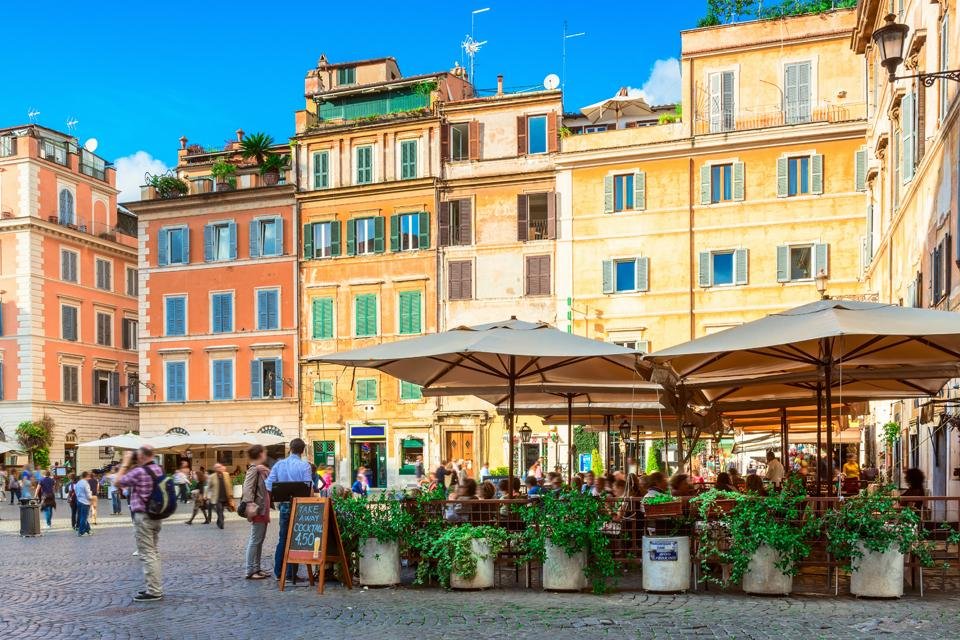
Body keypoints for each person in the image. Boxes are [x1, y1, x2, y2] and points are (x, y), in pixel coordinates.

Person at [115, 445, 165, 602]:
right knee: (153, 552)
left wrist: (125, 463)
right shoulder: (159, 469)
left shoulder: (139, 472)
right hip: (156, 515)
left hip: (143, 516)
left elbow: (118, 482)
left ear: (142, 456)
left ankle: (154, 591)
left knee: (147, 553)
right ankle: (155, 586)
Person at [266, 438, 314, 582]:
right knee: (296, 540)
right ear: (303, 450)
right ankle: (291, 574)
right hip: (299, 506)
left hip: (285, 505)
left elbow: (268, 485)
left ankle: (279, 572)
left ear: (290, 449)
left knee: (283, 538)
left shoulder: (279, 465)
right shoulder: (304, 466)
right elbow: (308, 488)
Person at [242, 445, 271, 580]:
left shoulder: (261, 469)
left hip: (263, 510)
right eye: (264, 452)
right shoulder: (253, 469)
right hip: (257, 510)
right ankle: (249, 570)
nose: (266, 454)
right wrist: (250, 505)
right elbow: (247, 489)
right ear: (260, 454)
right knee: (255, 540)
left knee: (259, 540)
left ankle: (257, 568)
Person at [207, 463, 234, 530]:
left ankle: (219, 521)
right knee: (219, 509)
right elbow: (208, 487)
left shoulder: (226, 474)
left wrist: (231, 495)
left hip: (225, 496)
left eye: (219, 467)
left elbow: (229, 485)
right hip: (217, 497)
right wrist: (207, 495)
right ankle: (221, 523)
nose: (219, 468)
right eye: (217, 467)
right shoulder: (212, 476)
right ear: (215, 469)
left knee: (222, 510)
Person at [74, 471, 92, 537]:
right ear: (86, 476)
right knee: (84, 517)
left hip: (79, 501)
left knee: (82, 516)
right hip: (85, 502)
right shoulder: (86, 483)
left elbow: (75, 490)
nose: (89, 478)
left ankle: (88, 530)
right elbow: (88, 493)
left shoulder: (78, 483)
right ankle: (81, 531)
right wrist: (91, 499)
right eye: (89, 476)